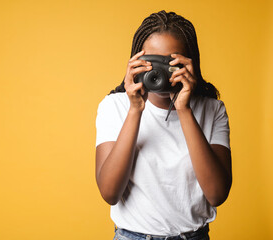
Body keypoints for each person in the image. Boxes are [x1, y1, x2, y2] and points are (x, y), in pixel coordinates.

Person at [95, 10, 232, 240]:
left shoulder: (212, 109)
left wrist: (184, 109)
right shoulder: (114, 107)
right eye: (152, 62)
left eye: (171, 63)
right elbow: (110, 193)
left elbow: (217, 194)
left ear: (189, 64)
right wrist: (135, 110)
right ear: (136, 61)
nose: (160, 73)